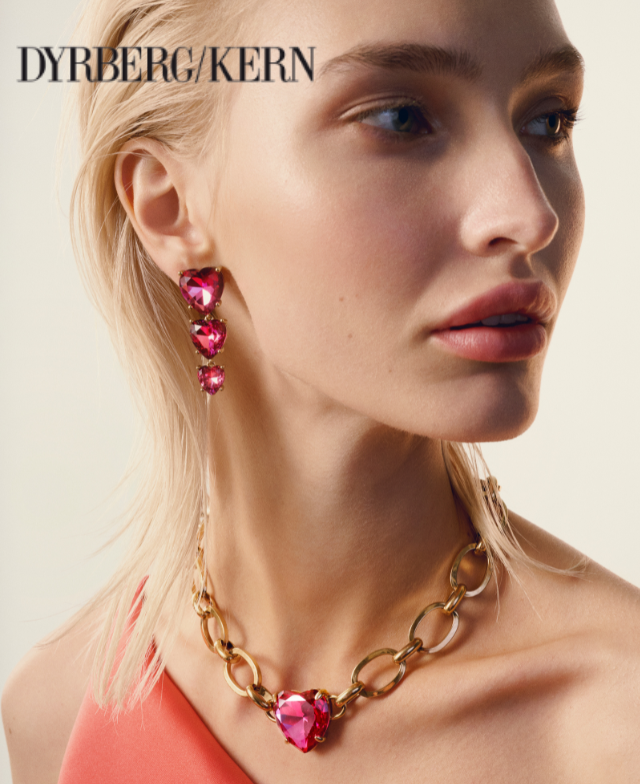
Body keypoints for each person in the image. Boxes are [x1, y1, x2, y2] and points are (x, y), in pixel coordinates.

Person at [3, 0, 640, 781]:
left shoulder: (619, 722)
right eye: (402, 119)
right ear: (170, 206)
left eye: (548, 122)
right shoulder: (60, 707)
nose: (530, 215)